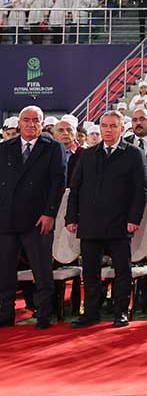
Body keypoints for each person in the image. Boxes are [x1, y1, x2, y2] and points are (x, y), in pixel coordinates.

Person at [67, 111, 147, 328]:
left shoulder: (133, 154)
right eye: (104, 126)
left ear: (122, 129)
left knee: (123, 271)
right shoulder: (88, 154)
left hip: (120, 223)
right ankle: (90, 313)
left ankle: (120, 312)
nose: (108, 130)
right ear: (99, 129)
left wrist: (134, 219)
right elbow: (75, 188)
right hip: (90, 223)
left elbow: (140, 191)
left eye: (113, 126)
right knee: (90, 273)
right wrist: (71, 217)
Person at [0, 106, 65, 329]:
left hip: (38, 220)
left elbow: (58, 183)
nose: (30, 124)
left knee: (42, 271)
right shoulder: (5, 148)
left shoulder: (53, 148)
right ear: (18, 123)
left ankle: (45, 315)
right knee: (5, 271)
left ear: (42, 122)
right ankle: (5, 314)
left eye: (35, 120)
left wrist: (49, 213)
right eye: (25, 120)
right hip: (7, 220)